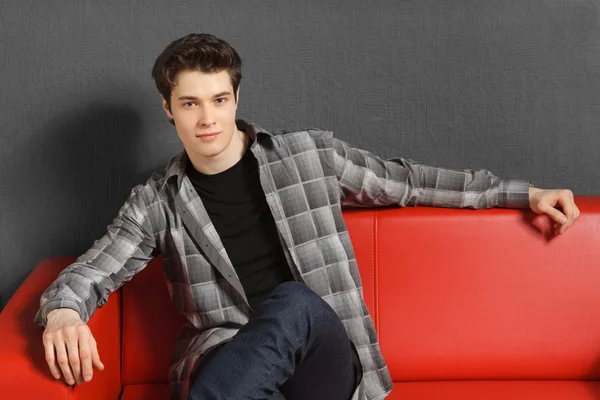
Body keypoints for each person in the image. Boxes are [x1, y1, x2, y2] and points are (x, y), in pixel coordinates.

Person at [34, 33, 580, 400]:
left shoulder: (308, 156)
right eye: (191, 103)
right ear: (168, 108)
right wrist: (63, 312)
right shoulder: (157, 201)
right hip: (231, 364)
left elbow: (409, 181)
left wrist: (521, 192)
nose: (207, 118)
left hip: (322, 362)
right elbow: (92, 271)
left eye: (219, 100)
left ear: (236, 96)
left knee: (293, 301)